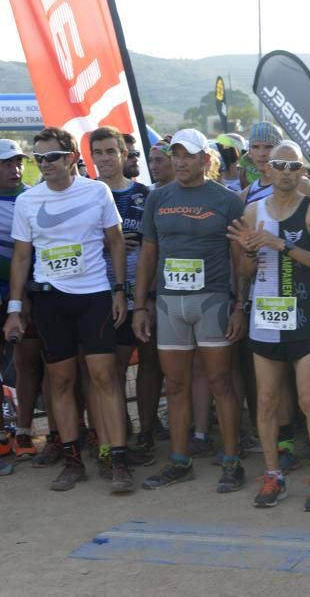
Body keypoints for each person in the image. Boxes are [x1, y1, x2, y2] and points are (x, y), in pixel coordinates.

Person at [3, 130, 132, 493]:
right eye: (38, 158)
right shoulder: (29, 201)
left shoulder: (97, 191)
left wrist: (120, 291)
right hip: (50, 301)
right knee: (60, 381)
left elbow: (116, 242)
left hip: (94, 296)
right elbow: (22, 257)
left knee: (104, 377)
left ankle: (118, 459)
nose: (44, 164)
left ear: (72, 156)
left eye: (52, 157)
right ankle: (73, 460)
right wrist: (15, 309)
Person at [134, 128, 248, 493]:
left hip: (212, 300)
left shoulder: (227, 200)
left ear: (205, 160)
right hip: (169, 304)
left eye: (188, 155)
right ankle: (179, 460)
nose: (180, 161)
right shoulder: (158, 198)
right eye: (175, 154)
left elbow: (239, 258)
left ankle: (232, 461)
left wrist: (239, 306)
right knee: (177, 385)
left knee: (220, 383)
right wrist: (139, 305)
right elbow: (148, 254)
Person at [228, 141, 310, 511]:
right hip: (266, 321)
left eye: (294, 167)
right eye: (280, 165)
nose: (287, 172)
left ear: (303, 171)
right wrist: (246, 251)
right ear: (267, 170)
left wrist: (281, 245)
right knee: (267, 400)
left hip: (305, 318)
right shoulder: (253, 210)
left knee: (309, 399)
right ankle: (273, 474)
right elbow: (244, 272)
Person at [89, 127, 155, 471]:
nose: (105, 159)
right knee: (109, 370)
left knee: (148, 365)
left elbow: (156, 245)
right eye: (98, 153)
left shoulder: (147, 194)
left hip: (142, 294)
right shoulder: (86, 194)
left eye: (110, 152)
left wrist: (148, 296)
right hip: (102, 295)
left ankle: (146, 431)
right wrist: (108, 244)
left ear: (124, 155)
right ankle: (114, 437)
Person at [0, 139, 39, 463]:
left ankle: (24, 431)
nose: (14, 169)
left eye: (17, 163)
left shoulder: (31, 198)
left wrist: (22, 296)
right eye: (6, 164)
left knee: (25, 364)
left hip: (24, 295)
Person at [242, 123, 310, 204]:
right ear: (249, 152)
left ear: (279, 150)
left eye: (268, 147)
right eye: (255, 147)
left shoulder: (300, 184)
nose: (261, 153)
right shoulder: (245, 194)